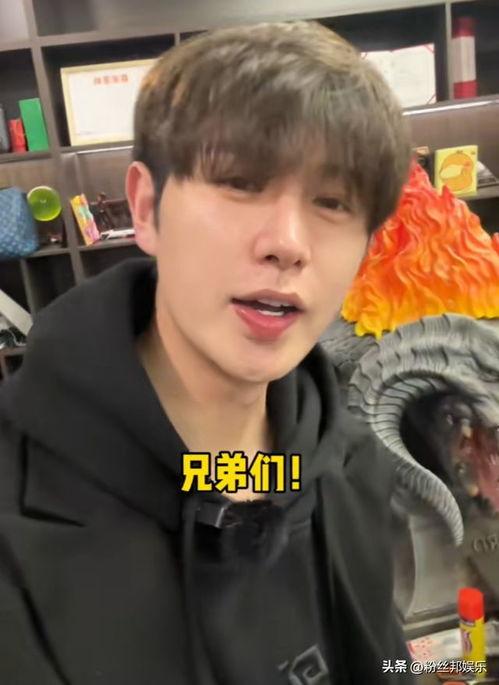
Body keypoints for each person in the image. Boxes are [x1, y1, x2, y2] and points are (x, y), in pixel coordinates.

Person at [0, 21, 414, 684]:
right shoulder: (17, 511)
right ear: (146, 208)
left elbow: (387, 658)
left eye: (332, 202)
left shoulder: (351, 463)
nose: (287, 243)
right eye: (240, 182)